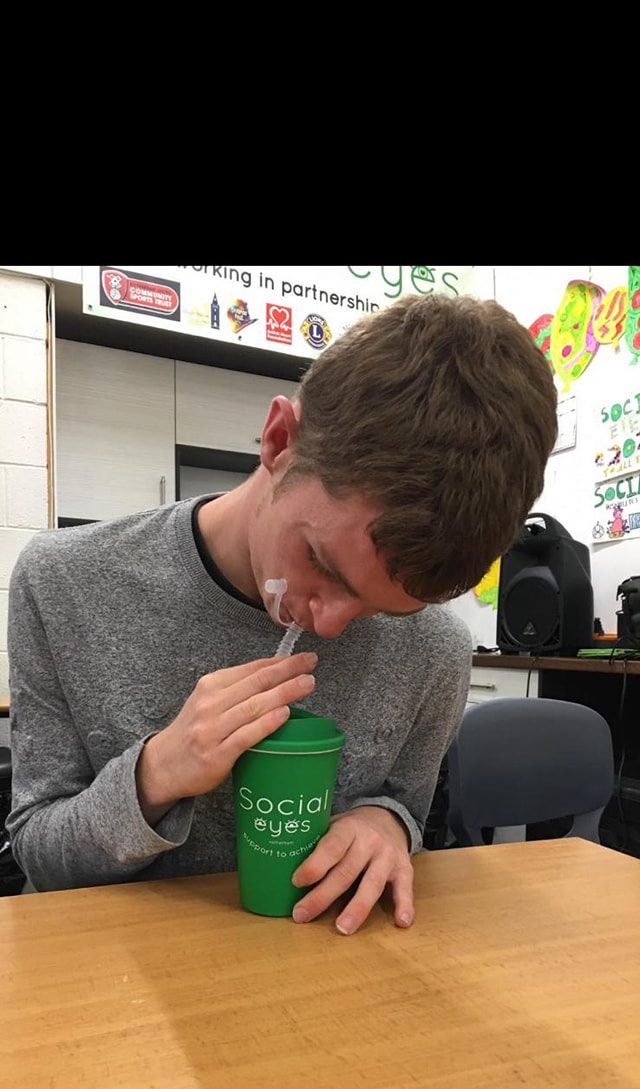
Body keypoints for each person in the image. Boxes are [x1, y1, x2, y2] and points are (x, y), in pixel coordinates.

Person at [6, 292, 558, 932]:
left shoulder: (435, 650)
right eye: (321, 562)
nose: (329, 626)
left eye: (382, 609)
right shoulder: (63, 582)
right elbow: (39, 856)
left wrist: (387, 824)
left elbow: (406, 808)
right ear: (278, 440)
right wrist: (156, 775)